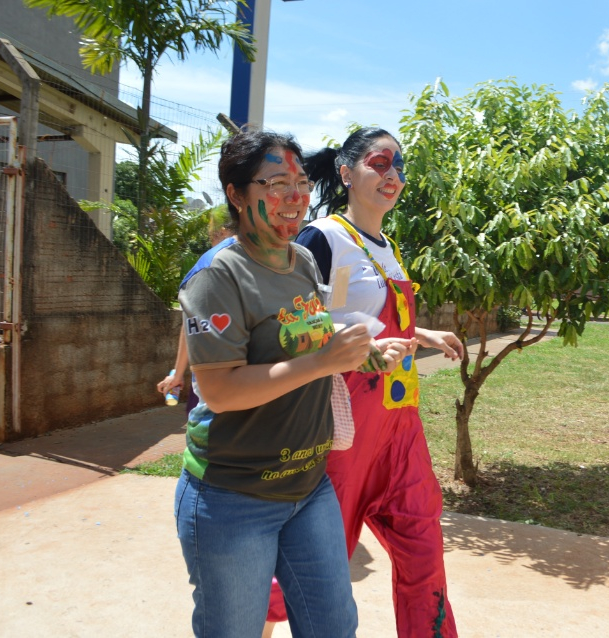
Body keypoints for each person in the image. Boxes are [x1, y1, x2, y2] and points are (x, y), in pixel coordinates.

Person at [174, 128, 411, 638]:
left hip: (309, 484)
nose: (295, 196)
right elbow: (218, 390)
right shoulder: (218, 276)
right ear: (237, 195)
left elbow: (308, 343)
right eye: (276, 182)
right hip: (233, 495)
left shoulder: (302, 260)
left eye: (301, 181)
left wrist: (366, 354)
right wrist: (326, 361)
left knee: (333, 625)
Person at [291, 127, 464, 637]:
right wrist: (364, 353)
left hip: (399, 424)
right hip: (344, 428)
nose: (393, 176)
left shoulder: (387, 246)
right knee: (315, 565)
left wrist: (423, 334)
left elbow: (370, 317)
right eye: (379, 162)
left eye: (398, 166)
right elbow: (294, 327)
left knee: (423, 550)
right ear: (346, 172)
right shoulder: (320, 239)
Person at [156, 205, 235, 413]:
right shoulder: (267, 255)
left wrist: (177, 373)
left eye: (212, 236)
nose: (212, 241)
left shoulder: (210, 262)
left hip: (214, 379)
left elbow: (191, 320)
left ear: (224, 231)